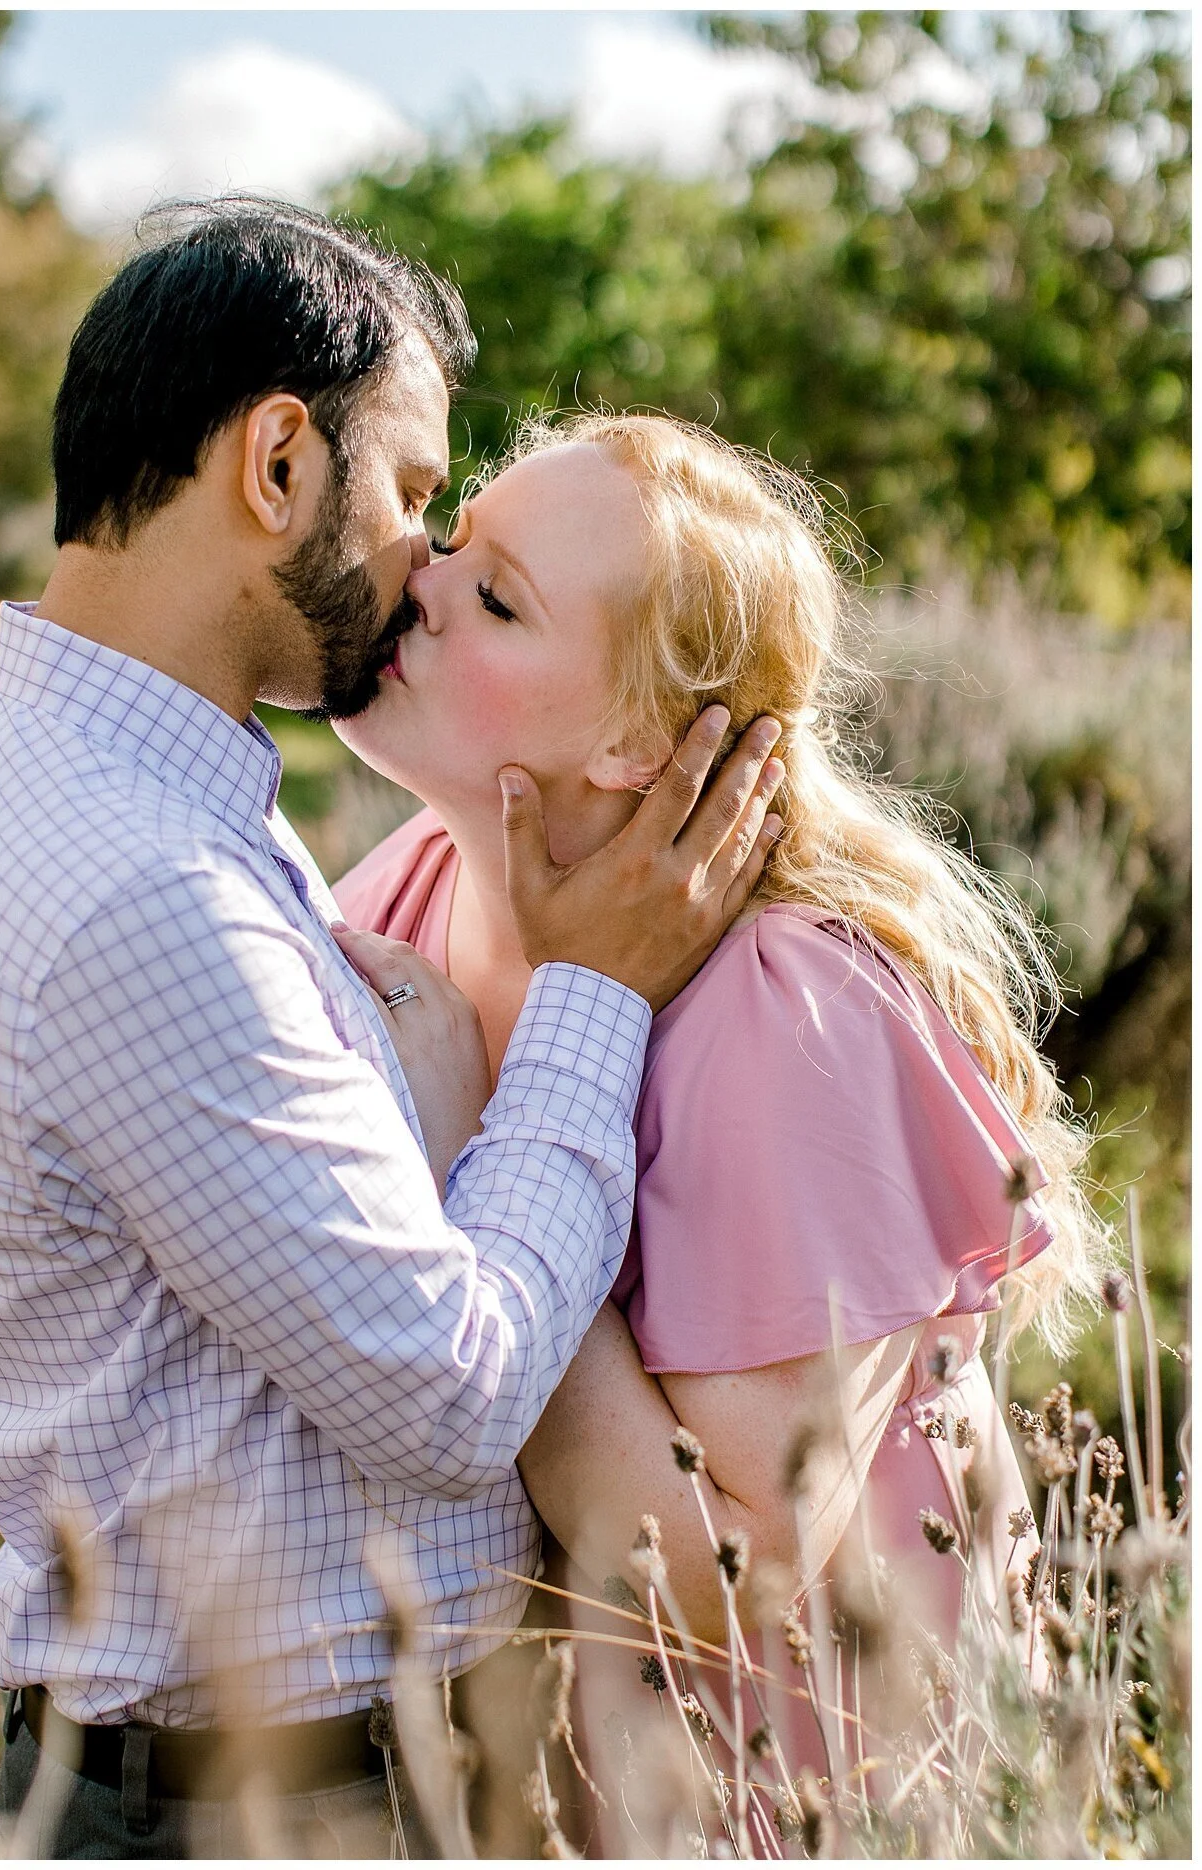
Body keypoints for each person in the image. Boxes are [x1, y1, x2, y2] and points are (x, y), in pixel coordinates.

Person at [0, 203, 785, 1859]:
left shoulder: (123, 781)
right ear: (280, 464)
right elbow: (449, 1394)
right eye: (416, 493)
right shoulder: (141, 882)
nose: (422, 564)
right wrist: (596, 995)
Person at [332, 411, 1109, 1853]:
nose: (418, 583)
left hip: (813, 1809)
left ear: (640, 741)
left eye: (497, 597)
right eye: (455, 544)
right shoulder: (402, 892)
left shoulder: (780, 1012)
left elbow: (722, 1582)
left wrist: (469, 1162)